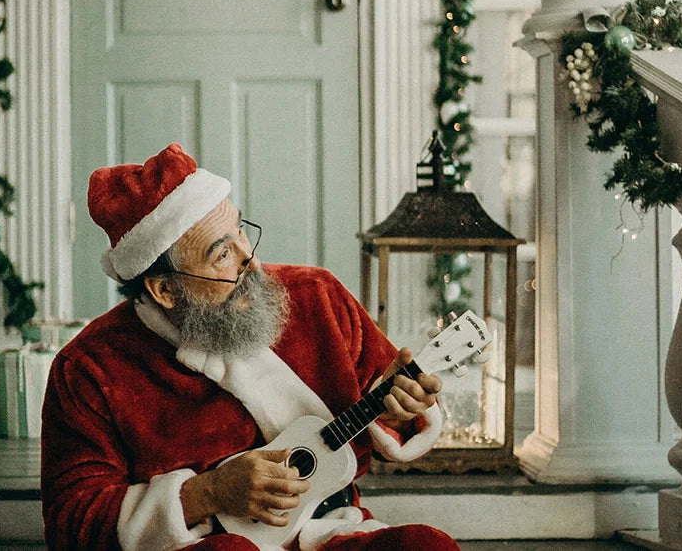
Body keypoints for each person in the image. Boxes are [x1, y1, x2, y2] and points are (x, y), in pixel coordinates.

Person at [41, 143, 460, 551]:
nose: (252, 262)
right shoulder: (89, 367)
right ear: (165, 290)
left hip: (332, 530)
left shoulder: (316, 295)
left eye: (240, 230)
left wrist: (399, 407)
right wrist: (206, 493)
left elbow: (392, 420)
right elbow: (71, 521)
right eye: (222, 253)